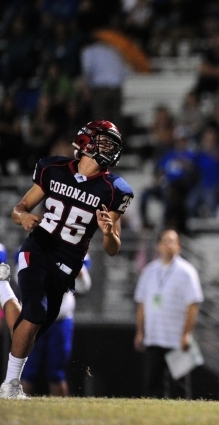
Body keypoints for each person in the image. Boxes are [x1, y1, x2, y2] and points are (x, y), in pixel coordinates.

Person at [0, 120, 134, 399]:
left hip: (68, 263)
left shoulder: (114, 189)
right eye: (105, 141)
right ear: (86, 142)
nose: (110, 149)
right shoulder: (53, 169)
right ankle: (10, 386)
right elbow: (19, 208)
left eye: (113, 145)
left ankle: (1, 289)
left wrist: (109, 233)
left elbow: (113, 249)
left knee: (25, 331)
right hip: (38, 248)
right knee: (34, 313)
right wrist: (23, 216)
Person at [133, 229, 204, 399]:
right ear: (158, 245)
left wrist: (186, 333)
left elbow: (193, 305)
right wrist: (140, 332)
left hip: (176, 337)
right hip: (154, 336)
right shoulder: (149, 271)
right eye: (164, 241)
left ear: (179, 246)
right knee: (153, 384)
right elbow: (142, 303)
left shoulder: (187, 272)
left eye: (172, 241)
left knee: (179, 386)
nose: (168, 245)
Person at [21, 254, 92, 396]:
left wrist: (76, 272)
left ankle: (59, 408)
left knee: (56, 372)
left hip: (61, 320)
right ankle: (19, 409)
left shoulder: (74, 251)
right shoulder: (31, 249)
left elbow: (84, 286)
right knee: (28, 370)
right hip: (34, 319)